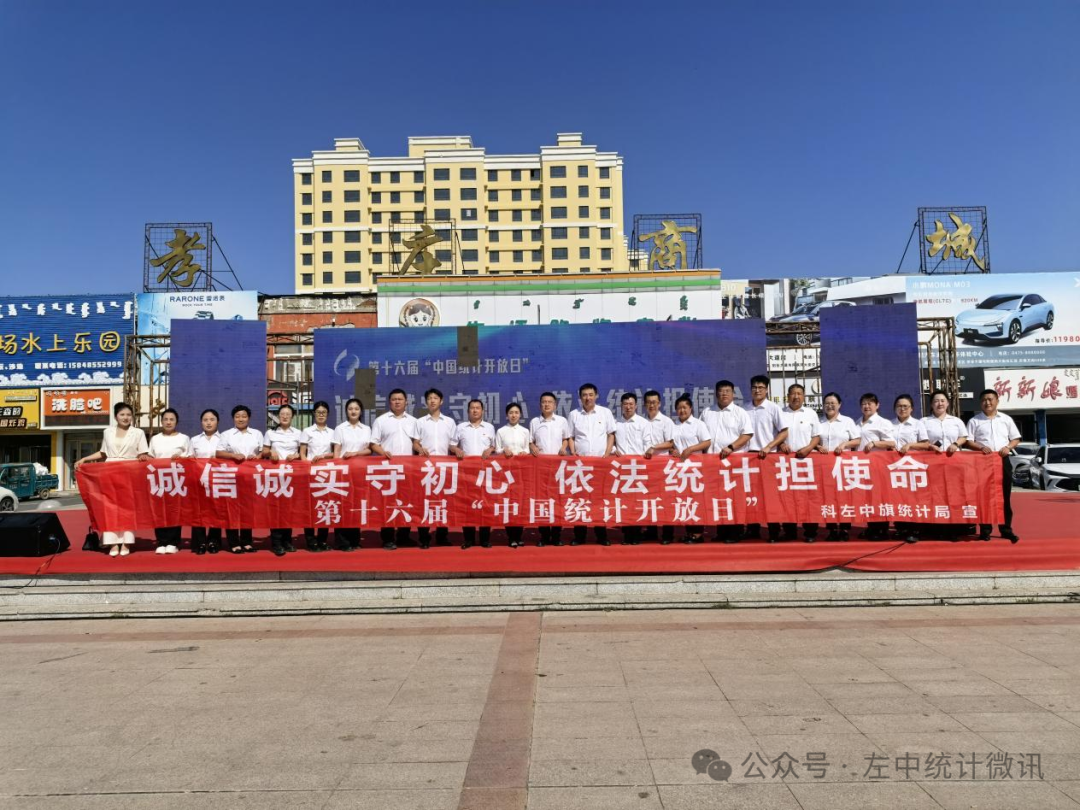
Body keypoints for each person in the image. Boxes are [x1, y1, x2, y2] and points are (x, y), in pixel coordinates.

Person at [75, 402, 149, 557]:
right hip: (109, 473)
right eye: (122, 414)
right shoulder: (107, 432)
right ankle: (113, 543)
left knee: (127, 509)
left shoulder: (138, 433)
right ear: (116, 416)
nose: (126, 417)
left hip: (129, 473)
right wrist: (85, 459)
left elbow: (144, 453)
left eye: (128, 415)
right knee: (109, 508)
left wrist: (143, 456)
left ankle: (126, 542)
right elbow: (103, 453)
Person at [965, 389, 1021, 543]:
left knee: (1004, 496)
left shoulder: (1006, 419)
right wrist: (980, 447)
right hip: (983, 462)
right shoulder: (974, 421)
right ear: (980, 403)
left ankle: (1006, 529)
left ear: (997, 401)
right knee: (984, 497)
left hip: (1002, 460)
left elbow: (1016, 438)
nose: (987, 402)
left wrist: (1008, 447)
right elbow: (968, 441)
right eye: (984, 400)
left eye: (990, 399)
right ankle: (985, 530)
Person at [702, 380, 753, 543]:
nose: (724, 394)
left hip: (733, 463)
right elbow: (701, 435)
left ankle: (735, 532)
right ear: (716, 393)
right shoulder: (707, 412)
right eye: (721, 391)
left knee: (734, 497)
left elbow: (747, 434)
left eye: (727, 391)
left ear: (733, 394)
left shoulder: (740, 412)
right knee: (718, 497)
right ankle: (721, 531)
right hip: (712, 463)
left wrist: (731, 447)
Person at [568, 383, 616, 546]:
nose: (587, 398)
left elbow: (611, 435)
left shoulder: (605, 412)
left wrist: (607, 453)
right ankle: (579, 536)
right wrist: (573, 452)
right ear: (580, 397)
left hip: (600, 465)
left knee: (599, 500)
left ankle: (601, 535)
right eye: (584, 395)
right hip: (580, 466)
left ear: (596, 396)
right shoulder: (574, 414)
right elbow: (571, 436)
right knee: (580, 499)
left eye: (590, 395)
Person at [371, 389, 418, 550]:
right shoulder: (381, 420)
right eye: (394, 399)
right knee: (388, 503)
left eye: (400, 399)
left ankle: (404, 536)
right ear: (389, 402)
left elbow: (417, 443)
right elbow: (373, 443)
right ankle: (387, 538)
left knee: (406, 502)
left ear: (406, 402)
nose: (397, 402)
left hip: (408, 470)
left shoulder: (414, 421)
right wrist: (382, 452)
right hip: (388, 470)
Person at [921, 390, 970, 540]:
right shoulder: (924, 421)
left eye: (942, 400)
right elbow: (922, 441)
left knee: (954, 495)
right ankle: (935, 529)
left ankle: (954, 529)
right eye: (936, 401)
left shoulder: (956, 421)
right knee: (935, 495)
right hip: (932, 464)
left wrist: (956, 444)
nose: (939, 404)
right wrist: (930, 446)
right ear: (931, 404)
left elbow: (964, 437)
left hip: (954, 464)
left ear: (947, 403)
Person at [744, 375, 787, 543]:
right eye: (754, 387)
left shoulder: (773, 408)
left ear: (767, 389)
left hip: (768, 457)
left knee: (770, 496)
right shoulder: (744, 409)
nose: (757, 390)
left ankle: (774, 530)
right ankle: (752, 529)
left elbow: (784, 432)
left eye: (761, 387)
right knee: (750, 495)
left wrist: (769, 446)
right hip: (748, 458)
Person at [216, 405, 264, 554]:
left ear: (248, 418)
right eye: (237, 416)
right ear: (233, 418)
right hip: (231, 477)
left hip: (250, 477)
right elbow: (218, 453)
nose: (240, 419)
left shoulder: (257, 434)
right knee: (231, 510)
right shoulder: (226, 434)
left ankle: (247, 541)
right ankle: (233, 542)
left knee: (247, 510)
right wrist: (233, 455)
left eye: (243, 416)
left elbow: (263, 452)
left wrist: (257, 457)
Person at [412, 388, 455, 549]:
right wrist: (419, 448)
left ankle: (442, 536)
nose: (432, 401)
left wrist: (456, 450)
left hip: (444, 468)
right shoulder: (420, 422)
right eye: (429, 398)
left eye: (435, 398)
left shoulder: (449, 422)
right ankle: (424, 537)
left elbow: (453, 444)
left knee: (443, 502)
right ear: (426, 402)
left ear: (441, 401)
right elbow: (415, 443)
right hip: (425, 468)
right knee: (424, 502)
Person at [815, 393, 861, 541]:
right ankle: (832, 529)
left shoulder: (847, 421)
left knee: (844, 497)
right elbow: (813, 441)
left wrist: (844, 444)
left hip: (843, 467)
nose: (830, 406)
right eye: (827, 403)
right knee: (828, 498)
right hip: (824, 467)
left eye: (833, 403)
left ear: (839, 405)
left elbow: (857, 440)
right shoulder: (819, 422)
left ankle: (845, 529)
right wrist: (818, 446)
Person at [451, 399, 496, 549]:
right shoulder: (461, 427)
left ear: (483, 411)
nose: (475, 410)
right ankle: (468, 539)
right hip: (466, 472)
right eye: (472, 408)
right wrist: (456, 450)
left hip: (485, 472)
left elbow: (495, 446)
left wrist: (491, 449)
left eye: (478, 408)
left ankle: (485, 539)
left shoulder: (489, 427)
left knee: (486, 505)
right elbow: (452, 445)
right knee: (467, 505)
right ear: (468, 411)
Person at [781, 384, 822, 542]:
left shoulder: (811, 413)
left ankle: (810, 532)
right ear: (788, 396)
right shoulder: (781, 413)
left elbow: (816, 436)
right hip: (785, 463)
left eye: (799, 393)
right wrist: (781, 444)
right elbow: (775, 435)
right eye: (793, 394)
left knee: (808, 498)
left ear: (804, 396)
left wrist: (809, 448)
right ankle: (789, 532)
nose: (796, 396)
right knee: (787, 498)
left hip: (806, 462)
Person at [147, 407, 191, 555]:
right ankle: (161, 541)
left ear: (176, 422)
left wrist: (181, 458)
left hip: (176, 479)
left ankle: (173, 542)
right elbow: (151, 457)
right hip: (158, 479)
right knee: (159, 511)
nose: (168, 422)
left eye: (172, 419)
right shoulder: (155, 439)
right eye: (165, 419)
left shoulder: (184, 438)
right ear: (161, 421)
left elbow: (191, 458)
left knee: (174, 510)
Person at [529, 391, 570, 547]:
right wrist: (532, 447)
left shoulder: (561, 421)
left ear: (555, 405)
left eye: (549, 402)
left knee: (558, 500)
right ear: (540, 405)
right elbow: (530, 441)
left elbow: (566, 439)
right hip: (541, 468)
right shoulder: (534, 422)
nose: (546, 404)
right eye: (544, 402)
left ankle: (557, 535)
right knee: (543, 501)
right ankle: (544, 535)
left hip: (558, 468)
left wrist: (564, 448)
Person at [670, 394, 712, 543]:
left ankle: (698, 533)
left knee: (696, 500)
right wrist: (672, 450)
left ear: (691, 408)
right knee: (684, 500)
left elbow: (707, 442)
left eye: (685, 407)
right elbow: (670, 444)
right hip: (678, 470)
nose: (682, 410)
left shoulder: (698, 424)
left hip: (695, 470)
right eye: (679, 408)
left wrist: (690, 449)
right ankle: (689, 532)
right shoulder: (673, 425)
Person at [263, 403, 303, 557]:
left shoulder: (298, 433)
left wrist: (296, 455)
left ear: (292, 416)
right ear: (278, 416)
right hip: (275, 476)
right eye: (282, 414)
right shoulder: (270, 433)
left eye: (288, 414)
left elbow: (302, 453)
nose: (285, 416)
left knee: (289, 510)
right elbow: (264, 451)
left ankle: (287, 541)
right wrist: (270, 452)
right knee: (276, 509)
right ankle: (276, 542)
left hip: (292, 476)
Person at [333, 397, 373, 550]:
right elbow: (337, 451)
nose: (353, 411)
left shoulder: (366, 429)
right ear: (346, 411)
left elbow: (369, 450)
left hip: (360, 472)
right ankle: (342, 541)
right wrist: (336, 469)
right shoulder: (340, 428)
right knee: (343, 505)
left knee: (357, 504)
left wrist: (355, 453)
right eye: (350, 409)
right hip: (343, 472)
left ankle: (355, 539)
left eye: (356, 409)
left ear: (361, 411)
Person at [891, 394, 932, 544]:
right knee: (898, 498)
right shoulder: (890, 424)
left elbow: (926, 444)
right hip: (895, 468)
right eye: (899, 406)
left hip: (913, 467)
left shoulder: (917, 424)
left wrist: (910, 445)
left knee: (913, 499)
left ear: (911, 408)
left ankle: (915, 529)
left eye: (905, 406)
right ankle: (900, 528)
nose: (902, 409)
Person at [856, 393, 895, 540]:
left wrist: (874, 443)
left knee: (879, 498)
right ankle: (871, 527)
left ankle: (881, 529)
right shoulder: (858, 422)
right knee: (867, 498)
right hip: (862, 467)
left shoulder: (883, 422)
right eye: (864, 404)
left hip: (878, 466)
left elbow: (891, 443)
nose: (866, 406)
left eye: (870, 403)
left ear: (877, 405)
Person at [613, 392, 650, 545]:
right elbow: (611, 441)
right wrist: (613, 450)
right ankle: (627, 533)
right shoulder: (616, 423)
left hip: (638, 468)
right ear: (621, 406)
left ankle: (636, 533)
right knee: (624, 501)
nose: (628, 407)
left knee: (637, 501)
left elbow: (648, 443)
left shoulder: (643, 423)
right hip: (621, 468)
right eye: (625, 404)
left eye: (631, 404)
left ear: (636, 406)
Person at [641, 390, 676, 545]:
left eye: (654, 402)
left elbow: (670, 443)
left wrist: (654, 447)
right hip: (645, 468)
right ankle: (651, 531)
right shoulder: (641, 422)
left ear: (660, 403)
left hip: (663, 467)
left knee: (666, 500)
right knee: (649, 500)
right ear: (644, 404)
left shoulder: (666, 421)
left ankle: (668, 533)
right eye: (649, 402)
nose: (652, 405)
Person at [300, 400, 335, 551]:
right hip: (310, 473)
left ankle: (322, 540)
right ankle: (310, 540)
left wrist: (324, 456)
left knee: (324, 506)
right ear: (314, 414)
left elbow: (335, 453)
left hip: (327, 474)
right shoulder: (307, 431)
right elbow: (302, 453)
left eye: (324, 412)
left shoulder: (333, 432)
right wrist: (306, 468)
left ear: (328, 414)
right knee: (309, 507)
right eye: (318, 412)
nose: (321, 415)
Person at [496, 402, 531, 548]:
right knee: (508, 502)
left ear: (520, 415)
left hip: (521, 471)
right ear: (506, 415)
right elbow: (497, 449)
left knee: (520, 502)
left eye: (516, 412)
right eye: (511, 412)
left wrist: (524, 453)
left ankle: (519, 535)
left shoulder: (525, 431)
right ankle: (511, 537)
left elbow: (527, 449)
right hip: (506, 472)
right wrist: (504, 450)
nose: (513, 415)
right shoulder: (501, 431)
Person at [189, 409, 223, 554]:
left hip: (218, 480)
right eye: (205, 420)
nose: (209, 423)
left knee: (216, 511)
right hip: (199, 480)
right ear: (201, 422)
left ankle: (214, 541)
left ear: (218, 421)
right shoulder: (194, 440)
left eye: (212, 419)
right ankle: (200, 542)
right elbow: (190, 460)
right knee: (198, 511)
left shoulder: (224, 439)